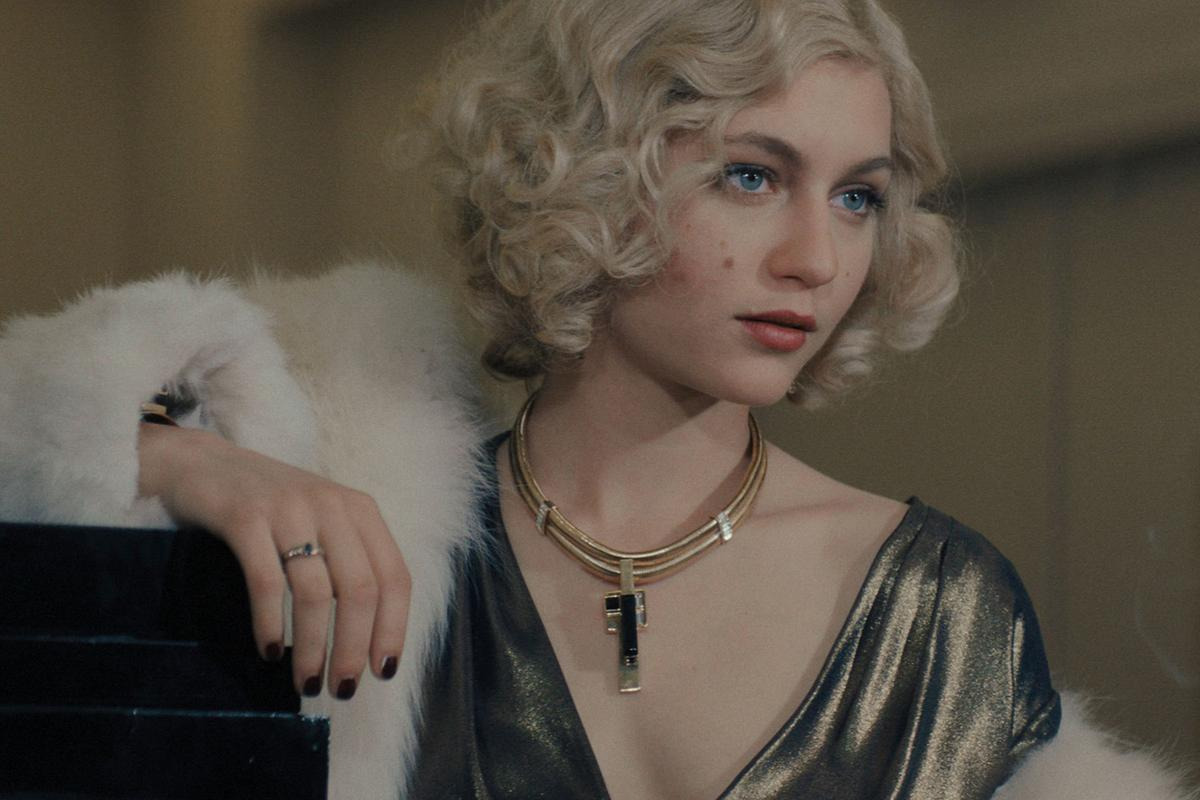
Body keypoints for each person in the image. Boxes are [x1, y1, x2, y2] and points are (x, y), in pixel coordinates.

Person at [0, 0, 1192, 798]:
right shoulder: (377, 534)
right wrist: (179, 453)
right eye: (751, 175)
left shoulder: (939, 612)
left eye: (857, 196)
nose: (817, 260)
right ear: (583, 174)